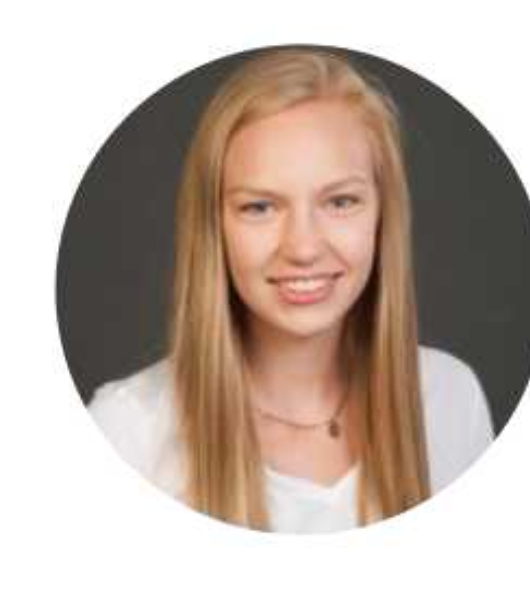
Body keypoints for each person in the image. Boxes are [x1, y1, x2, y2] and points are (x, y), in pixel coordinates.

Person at [88, 48, 494, 534]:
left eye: (340, 201)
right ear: (213, 226)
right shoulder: (128, 434)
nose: (303, 248)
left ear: (383, 215)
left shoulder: (450, 398)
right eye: (259, 207)